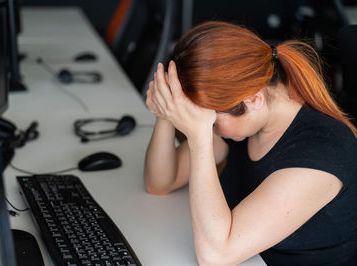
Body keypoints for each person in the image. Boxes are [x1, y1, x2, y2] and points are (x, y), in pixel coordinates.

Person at [143, 21, 357, 265]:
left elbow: (216, 255)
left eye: (212, 121)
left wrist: (199, 136)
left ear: (253, 100)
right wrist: (166, 113)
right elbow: (160, 182)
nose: (211, 128)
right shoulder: (246, 123)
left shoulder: (322, 153)